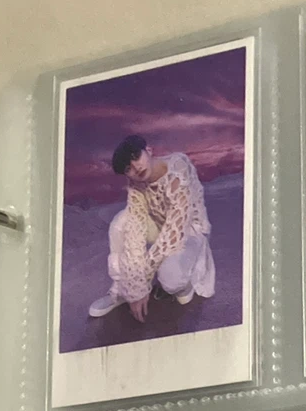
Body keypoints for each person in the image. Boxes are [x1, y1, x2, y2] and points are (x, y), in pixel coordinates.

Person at [88, 134, 216, 321]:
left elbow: (174, 230)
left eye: (136, 157)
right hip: (160, 226)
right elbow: (135, 228)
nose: (136, 168)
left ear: (148, 150)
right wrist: (132, 287)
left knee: (170, 279)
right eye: (128, 168)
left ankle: (185, 281)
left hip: (189, 231)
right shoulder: (136, 184)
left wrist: (140, 282)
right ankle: (119, 290)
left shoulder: (178, 166)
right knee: (121, 224)